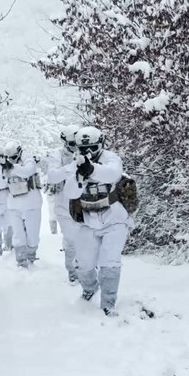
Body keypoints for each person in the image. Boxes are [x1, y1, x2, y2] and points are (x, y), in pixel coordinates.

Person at [63, 126, 130, 315]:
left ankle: (108, 302)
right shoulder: (75, 163)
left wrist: (91, 169)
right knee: (84, 263)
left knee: (109, 260)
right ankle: (89, 290)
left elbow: (113, 174)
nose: (87, 152)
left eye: (92, 147)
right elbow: (70, 192)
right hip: (87, 219)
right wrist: (79, 176)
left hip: (114, 218)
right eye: (83, 149)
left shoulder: (111, 158)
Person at [46, 125, 82, 283]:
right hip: (64, 204)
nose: (76, 147)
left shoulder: (87, 152)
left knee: (88, 239)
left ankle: (88, 271)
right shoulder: (57, 155)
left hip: (87, 204)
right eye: (72, 144)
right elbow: (53, 176)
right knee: (71, 239)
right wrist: (72, 167)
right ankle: (73, 274)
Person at [2, 141, 43, 268]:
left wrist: (13, 168)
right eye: (9, 158)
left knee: (33, 236)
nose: (11, 160)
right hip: (14, 205)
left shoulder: (28, 159)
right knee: (18, 235)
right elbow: (1, 183)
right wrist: (4, 169)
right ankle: (21, 261)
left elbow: (28, 171)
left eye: (13, 157)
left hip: (31, 204)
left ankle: (31, 257)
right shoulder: (5, 164)